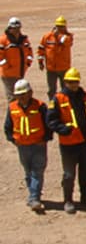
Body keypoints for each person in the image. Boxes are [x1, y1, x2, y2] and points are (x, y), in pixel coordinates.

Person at [47, 68, 86, 214]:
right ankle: (68, 200)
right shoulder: (58, 99)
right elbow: (51, 120)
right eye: (70, 82)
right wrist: (63, 129)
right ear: (65, 82)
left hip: (85, 142)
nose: (73, 85)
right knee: (69, 174)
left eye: (75, 82)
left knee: (85, 172)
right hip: (69, 144)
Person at [4, 79, 51, 212]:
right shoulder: (12, 107)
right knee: (27, 172)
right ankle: (33, 195)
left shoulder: (40, 106)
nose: (21, 97)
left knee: (37, 171)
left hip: (38, 145)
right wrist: (13, 140)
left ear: (30, 93)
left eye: (24, 94)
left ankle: (34, 198)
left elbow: (48, 124)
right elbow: (8, 126)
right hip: (22, 146)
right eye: (19, 95)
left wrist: (45, 139)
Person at [37, 15, 73, 100]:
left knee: (65, 89)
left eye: (62, 27)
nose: (60, 28)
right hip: (51, 69)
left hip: (64, 68)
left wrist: (58, 36)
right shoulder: (47, 37)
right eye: (58, 26)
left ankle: (65, 104)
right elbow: (41, 49)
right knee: (51, 89)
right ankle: (52, 105)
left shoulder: (68, 37)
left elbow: (67, 42)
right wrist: (40, 62)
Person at [0, 17, 33, 101]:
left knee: (20, 97)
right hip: (8, 75)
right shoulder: (3, 40)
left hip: (20, 72)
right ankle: (11, 114)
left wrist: (28, 63)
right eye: (14, 28)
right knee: (12, 98)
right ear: (9, 28)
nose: (16, 30)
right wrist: (7, 67)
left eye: (18, 28)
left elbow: (29, 52)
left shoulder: (24, 40)